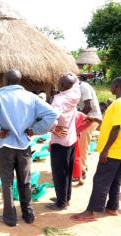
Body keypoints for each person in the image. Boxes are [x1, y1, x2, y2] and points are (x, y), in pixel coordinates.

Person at [0, 69, 58, 227]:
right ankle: (28, 214)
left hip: (5, 146)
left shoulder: (0, 97)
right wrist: (36, 129)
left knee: (7, 183)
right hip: (24, 145)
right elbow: (52, 114)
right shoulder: (31, 97)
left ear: (5, 81)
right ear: (19, 81)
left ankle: (10, 218)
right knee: (25, 182)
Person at [71, 77, 121, 222]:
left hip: (112, 150)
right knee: (114, 181)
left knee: (100, 180)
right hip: (120, 150)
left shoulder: (118, 104)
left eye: (111, 84)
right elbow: (114, 124)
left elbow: (116, 128)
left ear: (116, 86)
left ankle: (90, 211)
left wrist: (105, 150)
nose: (110, 87)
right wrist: (96, 120)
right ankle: (112, 207)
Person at [46, 73, 81, 210]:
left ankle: (61, 203)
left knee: (59, 173)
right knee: (68, 171)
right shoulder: (74, 94)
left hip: (60, 141)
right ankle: (66, 197)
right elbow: (75, 81)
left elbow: (51, 117)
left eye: (60, 82)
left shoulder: (59, 100)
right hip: (71, 138)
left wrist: (52, 129)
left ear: (62, 86)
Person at [78, 77, 102, 179]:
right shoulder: (76, 88)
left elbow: (88, 107)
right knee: (80, 143)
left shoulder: (84, 87)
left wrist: (77, 119)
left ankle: (82, 170)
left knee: (82, 144)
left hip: (92, 118)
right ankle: (82, 166)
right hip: (86, 117)